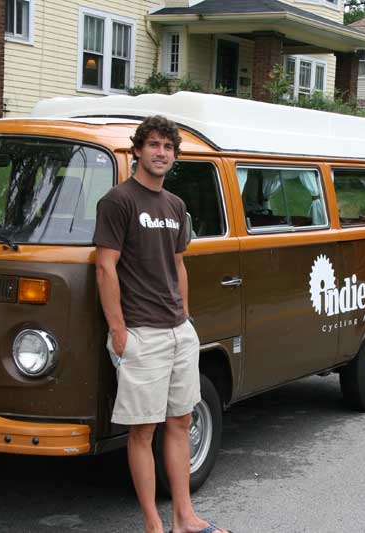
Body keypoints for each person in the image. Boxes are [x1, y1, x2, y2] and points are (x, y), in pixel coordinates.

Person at [94, 115, 231, 533]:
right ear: (137, 151)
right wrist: (119, 331)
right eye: (153, 145)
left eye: (168, 148)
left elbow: (178, 265)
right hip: (140, 333)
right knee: (142, 431)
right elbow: (105, 267)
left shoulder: (174, 206)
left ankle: (184, 518)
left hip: (177, 332)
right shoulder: (118, 201)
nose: (161, 153)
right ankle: (154, 524)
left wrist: (185, 318)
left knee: (181, 421)